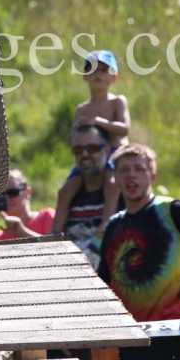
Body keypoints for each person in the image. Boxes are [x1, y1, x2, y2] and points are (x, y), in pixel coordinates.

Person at [97, 143, 180, 360]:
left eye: (139, 169)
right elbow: (104, 282)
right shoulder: (114, 224)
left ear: (152, 176)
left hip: (170, 332)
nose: (131, 175)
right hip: (126, 335)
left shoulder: (171, 211)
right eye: (124, 170)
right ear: (115, 179)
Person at [51, 51, 127, 237]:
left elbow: (124, 128)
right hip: (90, 155)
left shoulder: (117, 101)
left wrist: (98, 122)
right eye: (92, 70)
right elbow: (72, 141)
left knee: (112, 184)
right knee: (66, 190)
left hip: (115, 154)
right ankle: (54, 232)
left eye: (103, 70)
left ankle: (105, 224)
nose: (97, 74)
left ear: (114, 77)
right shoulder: (82, 108)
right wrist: (75, 129)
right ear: (85, 76)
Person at [58, 125, 124, 267]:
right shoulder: (69, 194)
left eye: (93, 148)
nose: (85, 154)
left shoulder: (123, 194)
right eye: (78, 150)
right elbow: (53, 242)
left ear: (107, 150)